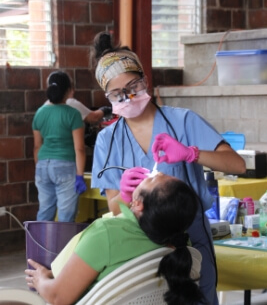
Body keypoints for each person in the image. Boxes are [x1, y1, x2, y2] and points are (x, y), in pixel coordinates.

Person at [91, 31, 246, 304]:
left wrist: (190, 153)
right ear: (108, 97)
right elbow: (114, 206)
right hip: (139, 247)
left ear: (145, 81)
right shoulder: (108, 139)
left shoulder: (182, 122)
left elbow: (238, 164)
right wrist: (125, 195)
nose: (128, 97)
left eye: (134, 87)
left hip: (190, 240)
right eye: (118, 94)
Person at [25, 173, 205, 305]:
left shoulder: (106, 235)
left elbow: (58, 298)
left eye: (151, 179)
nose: (153, 173)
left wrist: (40, 280)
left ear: (138, 204)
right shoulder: (181, 244)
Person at [32, 70, 87, 222]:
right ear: (69, 91)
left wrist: (41, 167)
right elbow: (79, 148)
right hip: (65, 166)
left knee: (44, 211)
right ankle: (63, 246)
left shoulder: (39, 113)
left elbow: (37, 146)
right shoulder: (73, 114)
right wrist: (80, 176)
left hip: (42, 166)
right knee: (66, 217)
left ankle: (39, 245)